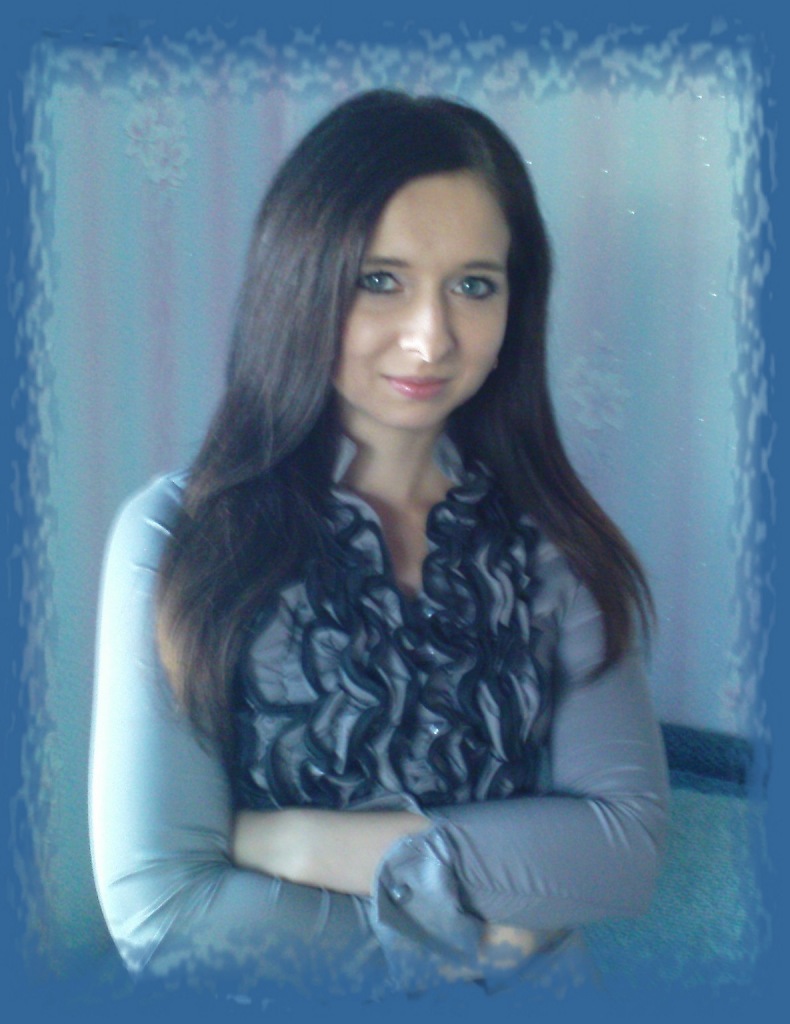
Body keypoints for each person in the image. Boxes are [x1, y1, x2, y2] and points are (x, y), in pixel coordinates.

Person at [89, 89, 669, 1000]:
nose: (430, 337)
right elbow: (165, 916)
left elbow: (625, 852)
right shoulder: (179, 538)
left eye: (473, 285)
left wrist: (297, 843)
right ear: (302, 282)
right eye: (380, 279)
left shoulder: (557, 544)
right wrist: (493, 939)